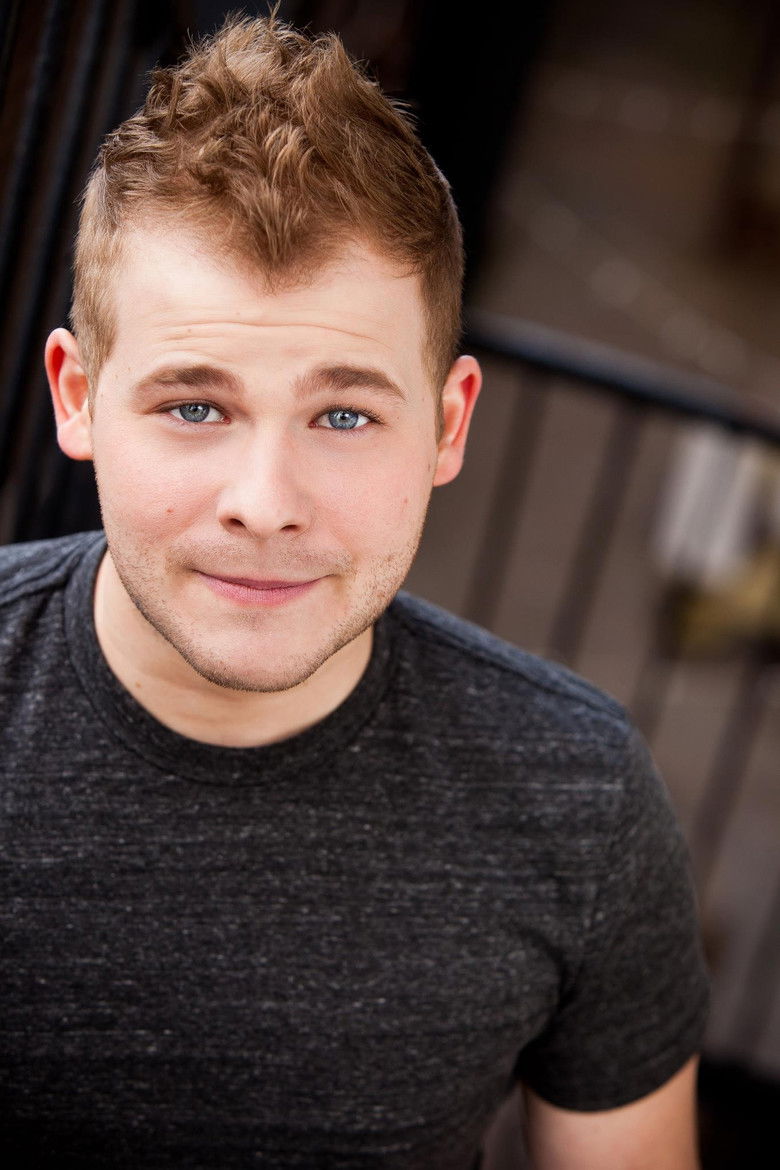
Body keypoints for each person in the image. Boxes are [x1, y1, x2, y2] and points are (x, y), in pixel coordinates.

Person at [0, 14, 708, 1169]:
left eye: (343, 415)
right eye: (195, 406)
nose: (265, 503)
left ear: (448, 424)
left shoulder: (578, 800)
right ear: (77, 396)